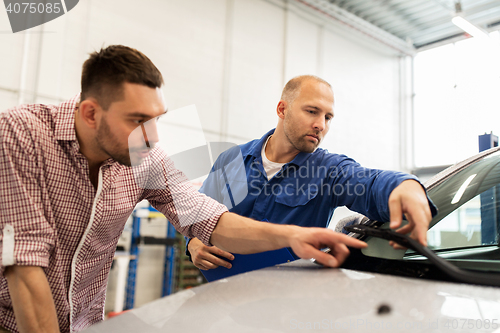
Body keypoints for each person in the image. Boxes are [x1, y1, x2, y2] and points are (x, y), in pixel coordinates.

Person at [0, 47, 367, 333]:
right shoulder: (21, 134)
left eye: (157, 118)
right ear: (91, 113)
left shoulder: (146, 156)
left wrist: (292, 236)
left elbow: (208, 217)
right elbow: (26, 264)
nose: (153, 136)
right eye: (139, 121)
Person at [186, 75, 436, 271]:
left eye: (328, 117)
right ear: (282, 110)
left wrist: (406, 185)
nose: (321, 125)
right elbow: (198, 216)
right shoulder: (231, 160)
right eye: (312, 111)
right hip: (222, 297)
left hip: (288, 307)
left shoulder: (328, 171)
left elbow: (368, 183)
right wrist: (194, 243)